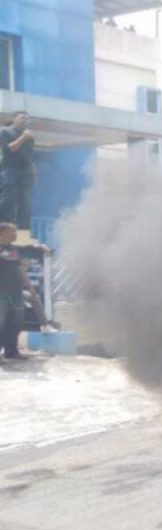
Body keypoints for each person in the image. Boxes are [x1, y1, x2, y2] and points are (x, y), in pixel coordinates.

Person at [0, 223, 35, 361]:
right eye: (12, 232)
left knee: (16, 322)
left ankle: (11, 351)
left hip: (16, 292)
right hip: (1, 293)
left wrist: (29, 286)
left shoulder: (14, 250)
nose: (15, 234)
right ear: (2, 233)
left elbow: (19, 270)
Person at [0, 112, 36, 230]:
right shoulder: (5, 132)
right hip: (10, 171)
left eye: (27, 119)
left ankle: (23, 229)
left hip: (25, 173)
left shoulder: (30, 137)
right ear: (14, 119)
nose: (24, 121)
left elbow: (29, 156)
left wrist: (32, 171)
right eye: (22, 118)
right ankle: (4, 228)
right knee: (8, 201)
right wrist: (23, 137)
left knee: (24, 204)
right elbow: (10, 149)